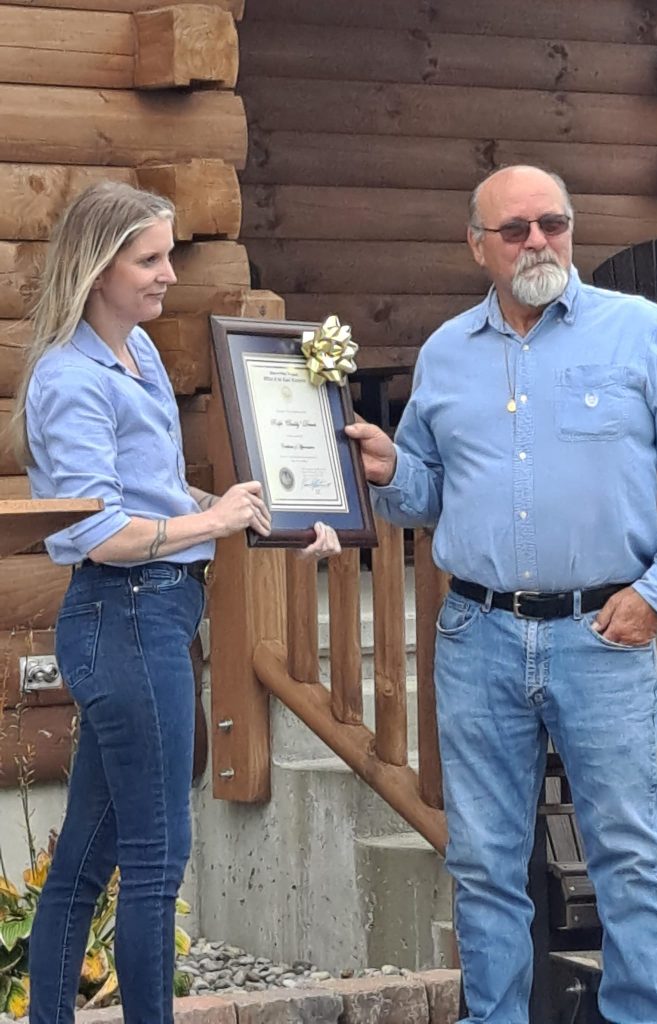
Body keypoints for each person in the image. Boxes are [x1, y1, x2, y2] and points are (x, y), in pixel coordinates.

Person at [346, 165, 657, 1024]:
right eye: (515, 230)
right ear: (476, 246)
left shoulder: (644, 334)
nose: (538, 243)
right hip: (478, 633)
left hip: (602, 633)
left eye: (553, 224)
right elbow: (426, 493)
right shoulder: (446, 352)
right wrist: (387, 470)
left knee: (626, 857)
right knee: (484, 863)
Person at [9, 181, 340, 1024]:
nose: (167, 275)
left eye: (168, 256)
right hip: (122, 612)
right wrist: (214, 520)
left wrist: (270, 513)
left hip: (153, 614)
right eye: (149, 260)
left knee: (87, 860)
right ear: (98, 269)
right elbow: (100, 532)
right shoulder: (71, 380)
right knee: (157, 859)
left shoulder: (141, 355)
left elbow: (155, 496)